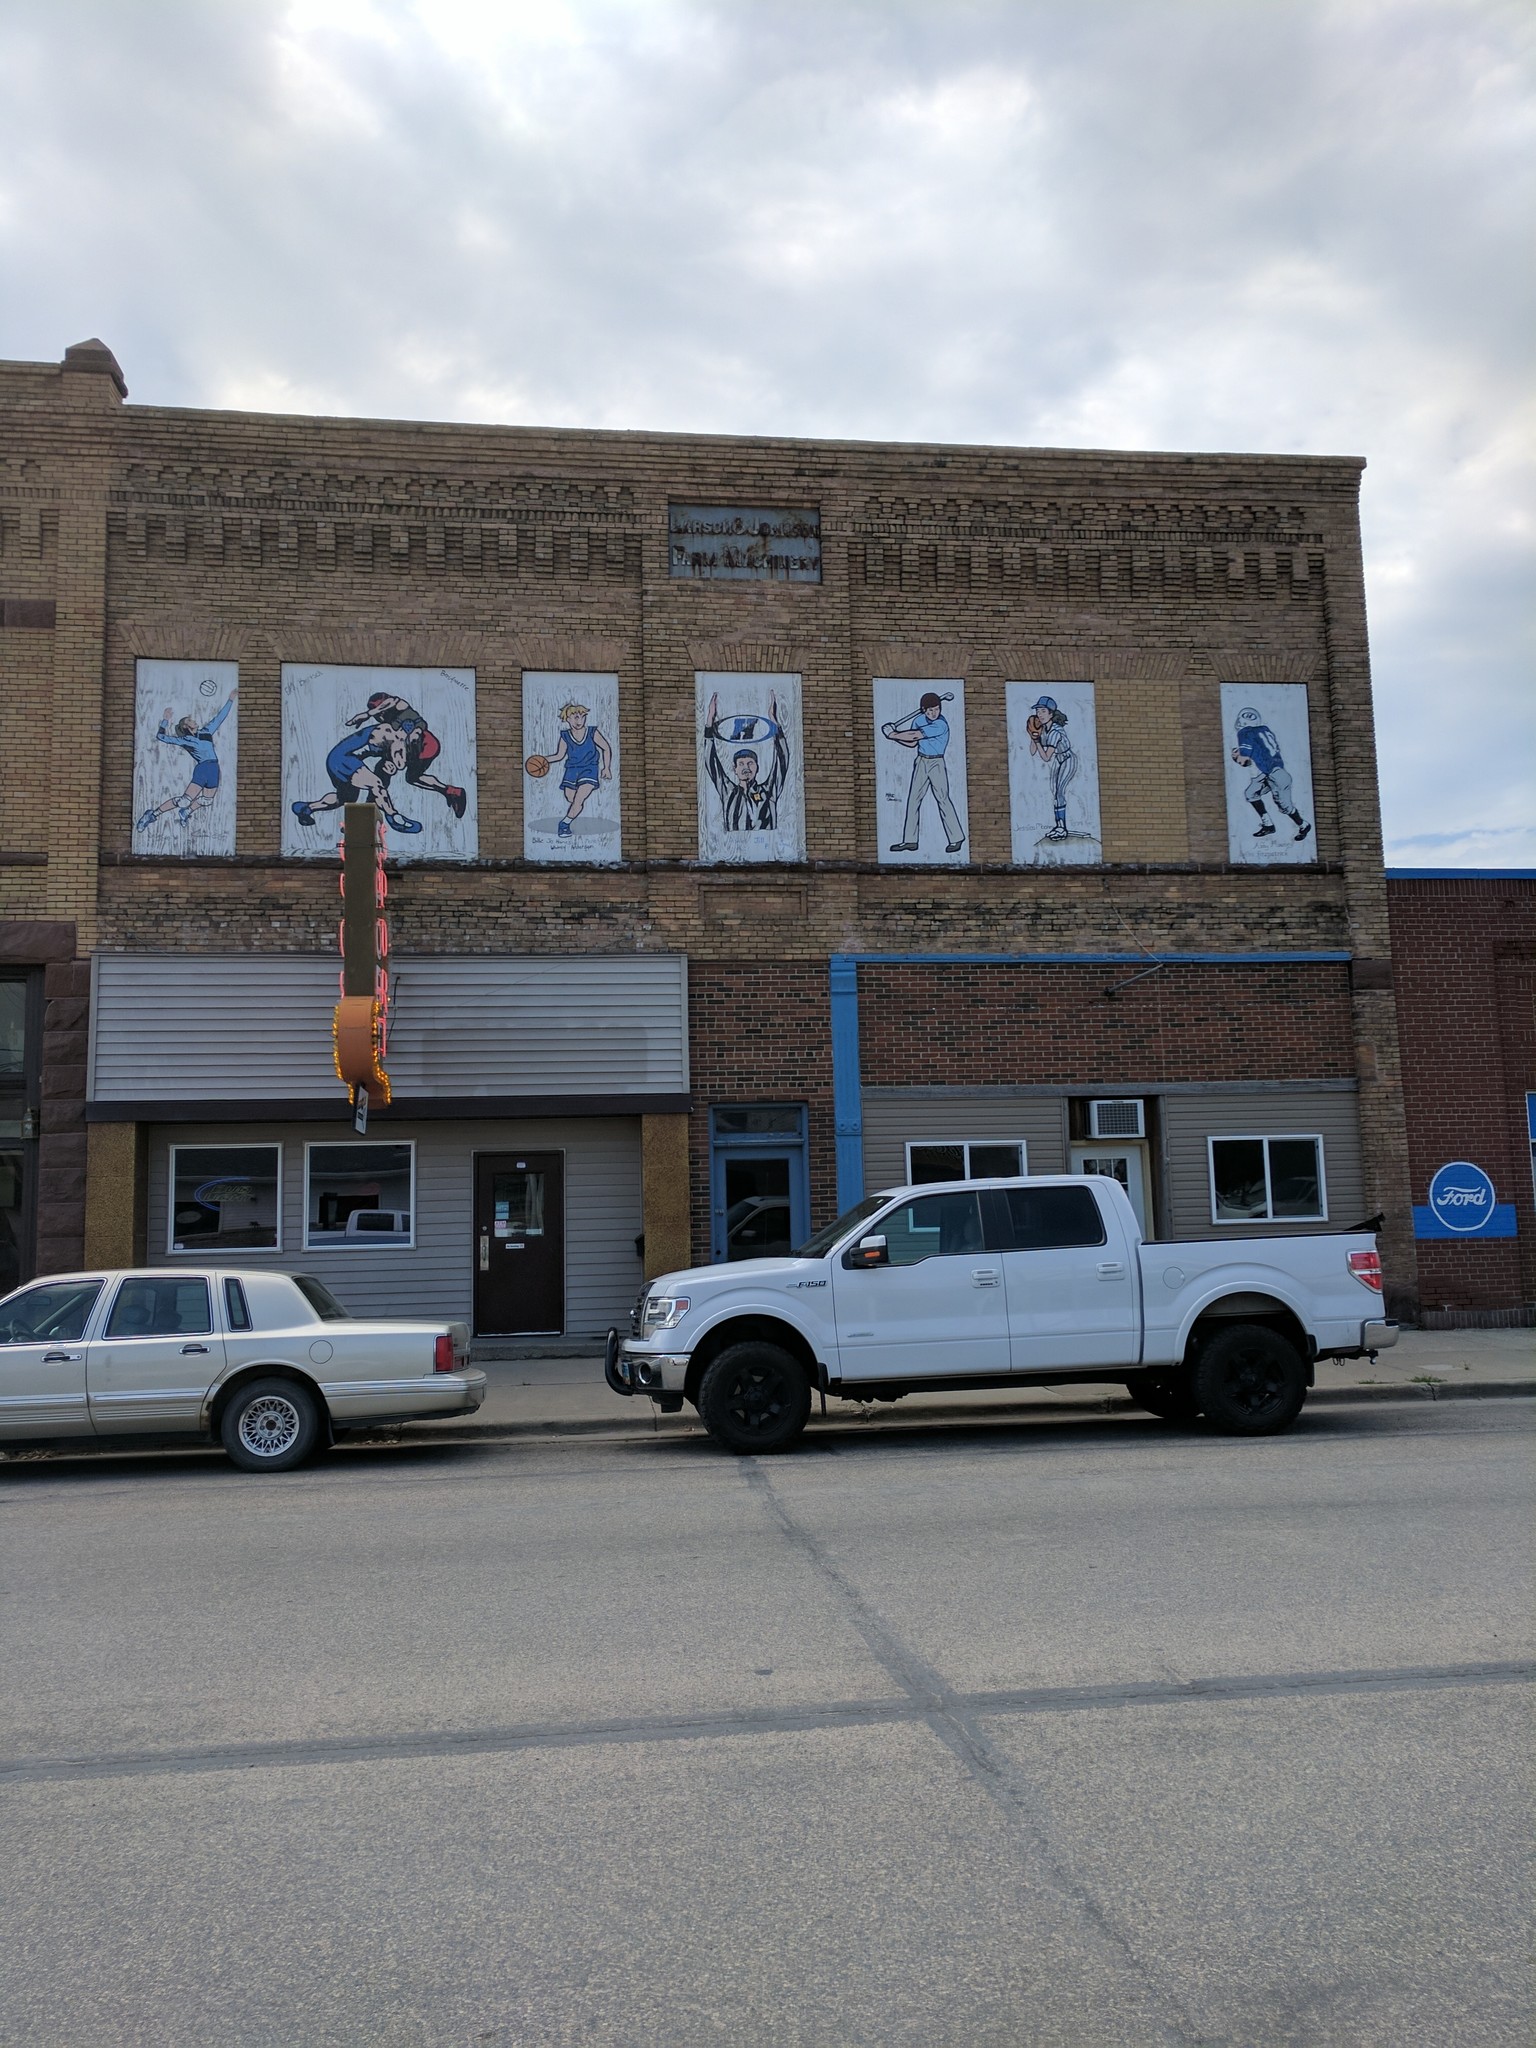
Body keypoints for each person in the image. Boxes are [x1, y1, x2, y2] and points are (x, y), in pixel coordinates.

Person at [291, 716, 423, 834]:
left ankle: (306, 808)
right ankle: (394, 817)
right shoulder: (393, 736)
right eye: (414, 737)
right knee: (376, 784)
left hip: (337, 759)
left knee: (343, 799)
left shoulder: (387, 732)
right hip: (345, 759)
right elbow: (400, 763)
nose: (414, 741)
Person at [344, 692, 467, 818]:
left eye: (380, 711)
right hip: (411, 750)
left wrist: (368, 714)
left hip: (424, 747)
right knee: (406, 776)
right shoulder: (386, 724)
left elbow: (394, 703)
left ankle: (369, 809)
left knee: (395, 773)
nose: (380, 716)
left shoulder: (400, 706)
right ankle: (451, 791)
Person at [136, 688, 237, 832]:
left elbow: (220, 718)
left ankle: (186, 812)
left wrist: (230, 700)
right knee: (184, 801)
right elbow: (161, 737)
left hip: (214, 768)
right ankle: (152, 814)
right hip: (202, 768)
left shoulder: (206, 732)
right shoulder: (186, 740)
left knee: (207, 801)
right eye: (190, 720)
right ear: (186, 726)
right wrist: (165, 720)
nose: (194, 721)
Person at [885, 691, 965, 853]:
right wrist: (895, 737)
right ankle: (910, 840)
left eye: (936, 709)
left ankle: (956, 838)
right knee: (913, 799)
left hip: (936, 762)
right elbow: (912, 744)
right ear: (923, 710)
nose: (933, 713)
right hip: (921, 761)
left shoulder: (941, 724)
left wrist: (892, 734)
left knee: (943, 799)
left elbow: (915, 736)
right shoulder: (918, 720)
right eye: (929, 710)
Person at [703, 690, 790, 832]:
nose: (746, 767)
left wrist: (774, 723)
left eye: (750, 763)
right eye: (741, 764)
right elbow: (711, 762)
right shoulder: (728, 791)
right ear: (734, 769)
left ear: (757, 767)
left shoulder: (768, 791)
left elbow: (782, 760)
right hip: (732, 850)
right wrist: (709, 723)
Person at [1231, 706, 1310, 843]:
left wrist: (1237, 756)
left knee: (1284, 806)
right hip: (1270, 771)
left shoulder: (1245, 732)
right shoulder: (1264, 729)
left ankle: (1303, 825)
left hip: (1276, 775)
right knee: (1250, 793)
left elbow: (1245, 761)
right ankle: (1268, 825)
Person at [542, 701, 613, 837]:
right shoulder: (565, 736)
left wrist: (607, 767)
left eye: (582, 717)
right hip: (572, 770)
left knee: (579, 799)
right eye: (575, 717)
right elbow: (559, 755)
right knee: (571, 798)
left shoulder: (592, 732)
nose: (579, 720)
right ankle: (572, 812)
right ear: (567, 719)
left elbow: (606, 748)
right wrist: (543, 760)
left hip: (589, 769)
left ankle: (564, 824)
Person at [1028, 694, 1076, 841]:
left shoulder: (1055, 731)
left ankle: (1062, 828)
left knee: (1059, 793)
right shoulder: (1043, 729)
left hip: (1067, 759)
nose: (1039, 714)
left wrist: (1037, 740)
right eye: (1038, 711)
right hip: (1058, 759)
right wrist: (1033, 735)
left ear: (1051, 713)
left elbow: (1046, 757)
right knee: (1055, 792)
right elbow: (1032, 751)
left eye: (1043, 711)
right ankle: (1059, 826)